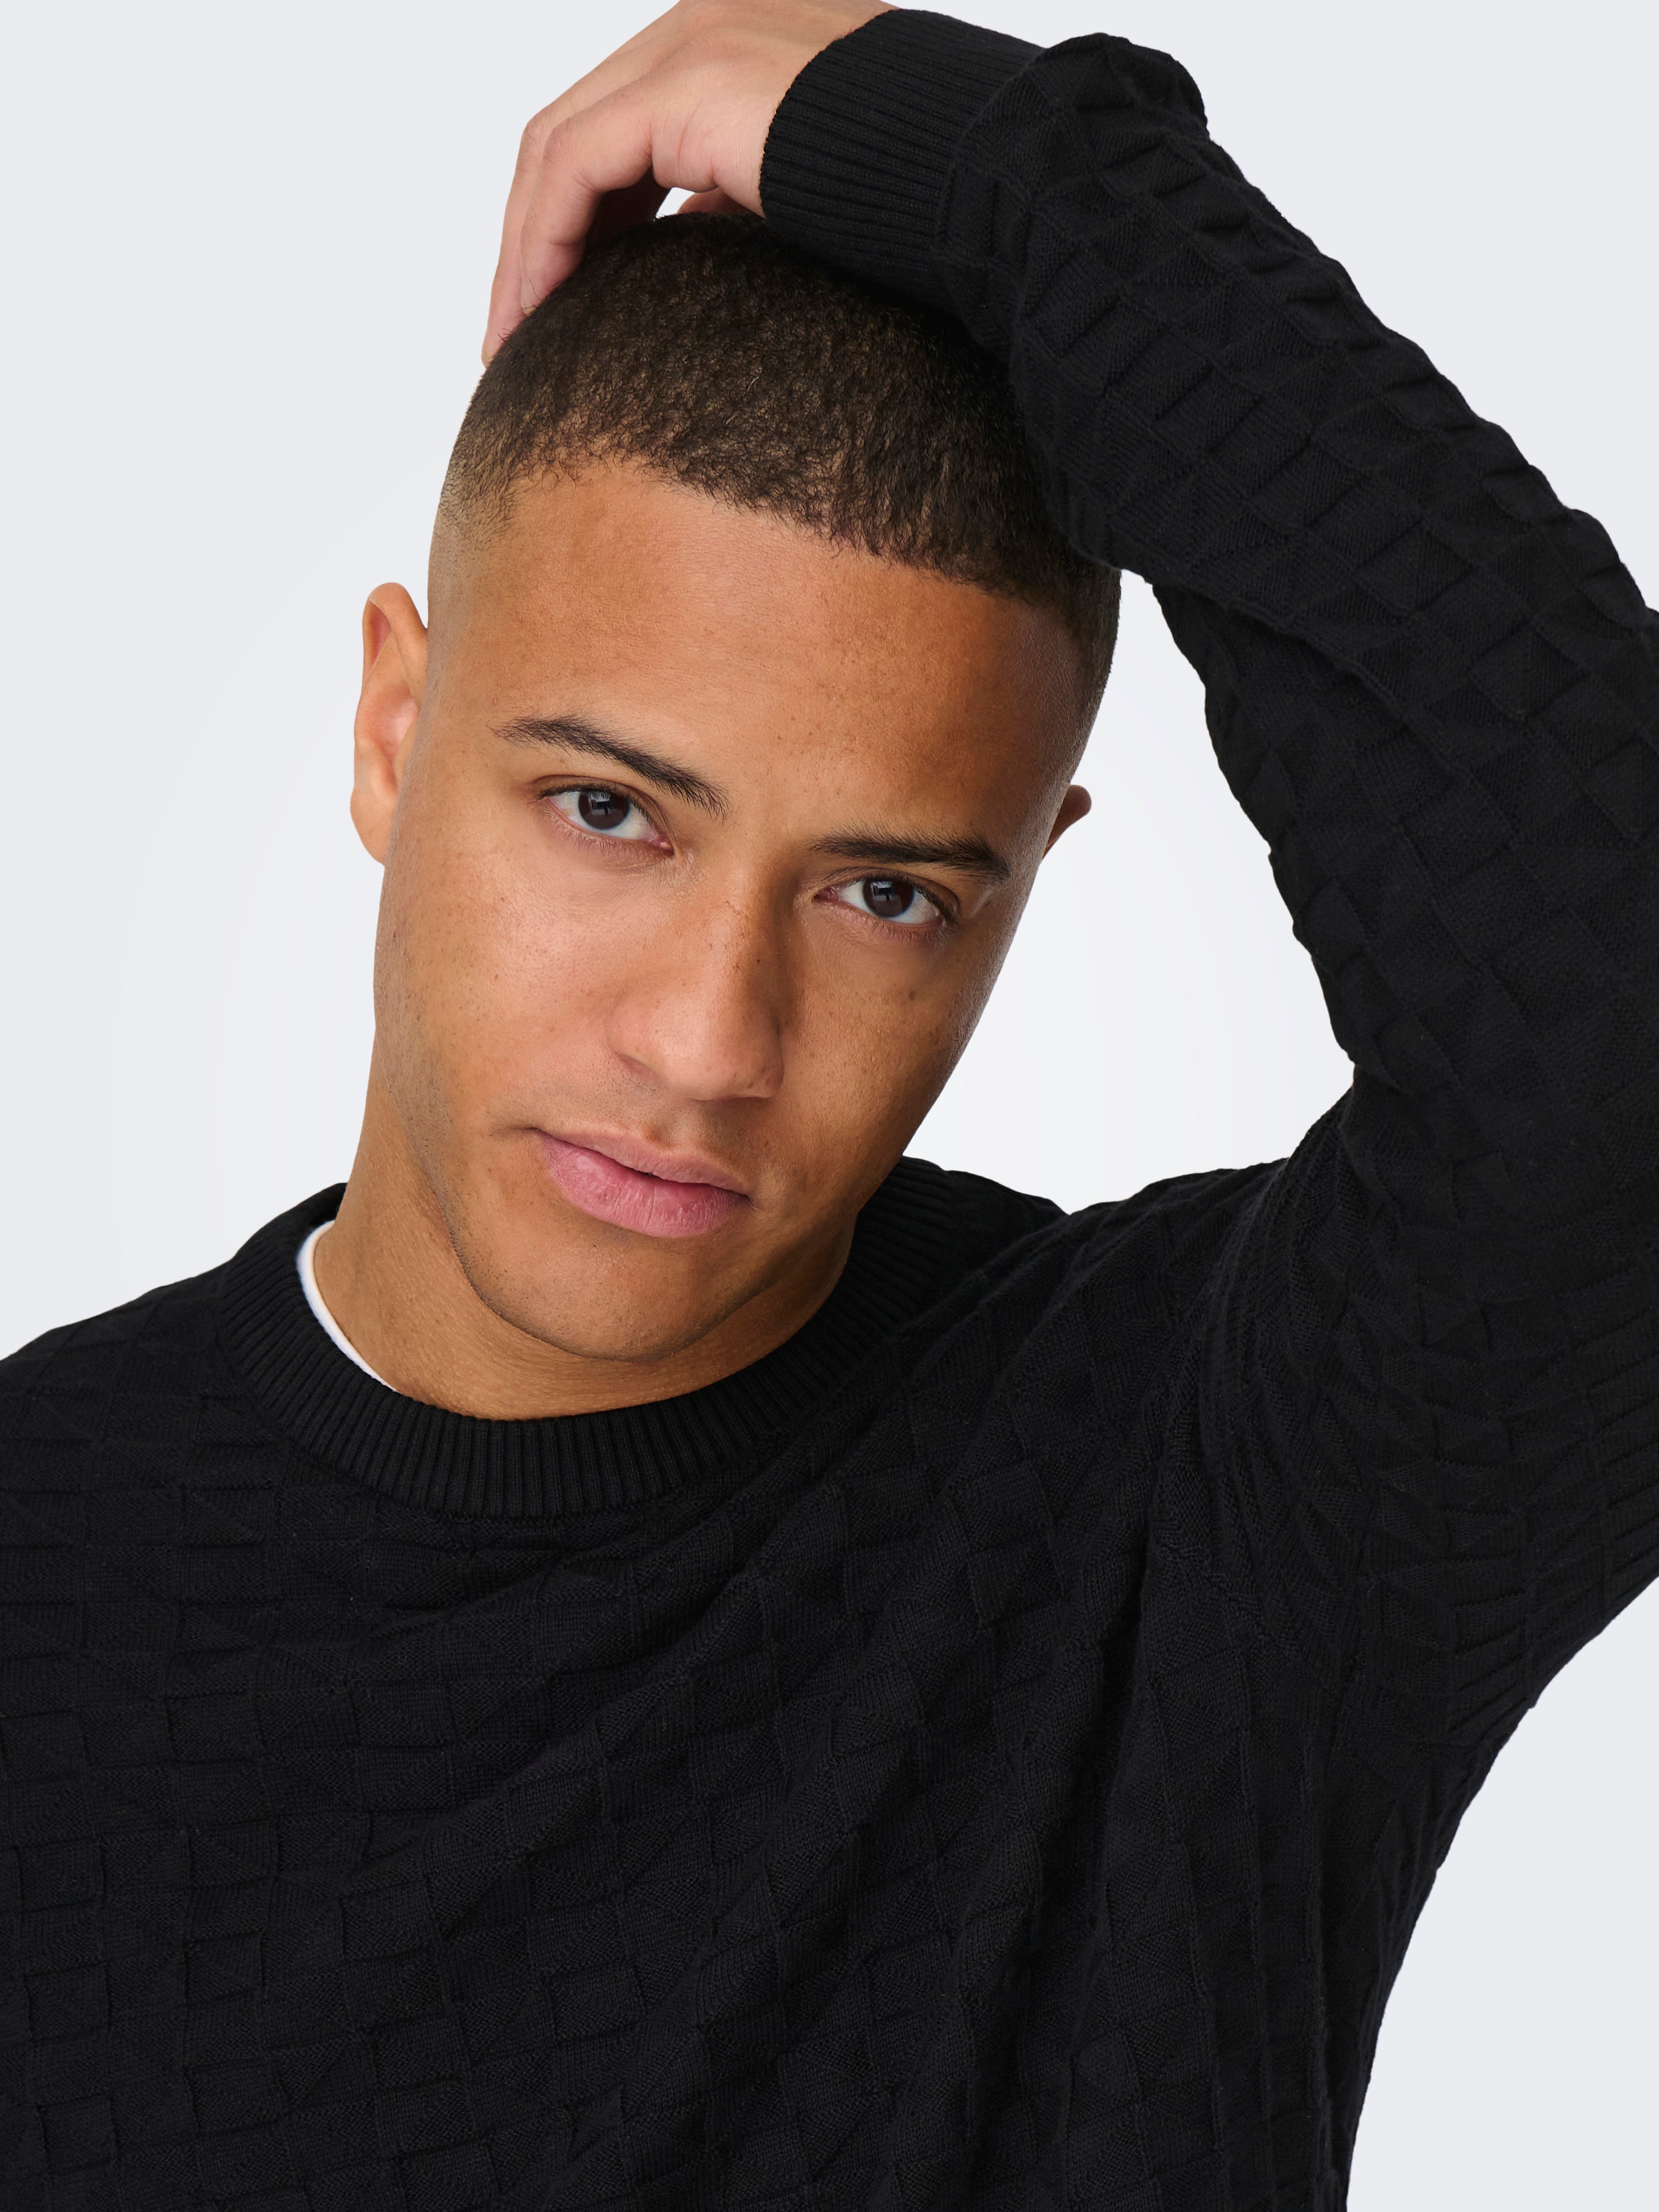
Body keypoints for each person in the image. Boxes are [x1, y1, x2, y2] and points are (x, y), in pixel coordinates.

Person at [2, 1, 1655, 2204]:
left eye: (886, 893)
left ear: (1031, 883)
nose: (709, 1042)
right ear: (396, 731)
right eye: (609, 810)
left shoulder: (1213, 1511)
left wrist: (1005, 168)